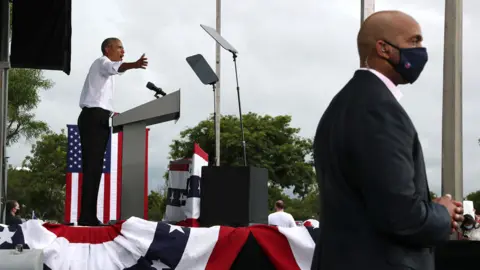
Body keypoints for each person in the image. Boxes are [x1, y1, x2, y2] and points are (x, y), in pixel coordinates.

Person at [311, 11, 464, 270]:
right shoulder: (379, 111)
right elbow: (402, 216)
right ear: (383, 48)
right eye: (414, 41)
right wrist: (443, 212)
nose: (421, 50)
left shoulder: (344, 104)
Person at [77, 37, 148, 226]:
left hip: (100, 117)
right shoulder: (102, 62)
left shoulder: (107, 70)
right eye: (119, 48)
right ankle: (86, 217)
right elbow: (117, 67)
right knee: (92, 168)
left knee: (96, 168)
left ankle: (89, 215)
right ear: (108, 49)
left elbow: (117, 70)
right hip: (93, 117)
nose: (123, 52)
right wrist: (135, 64)